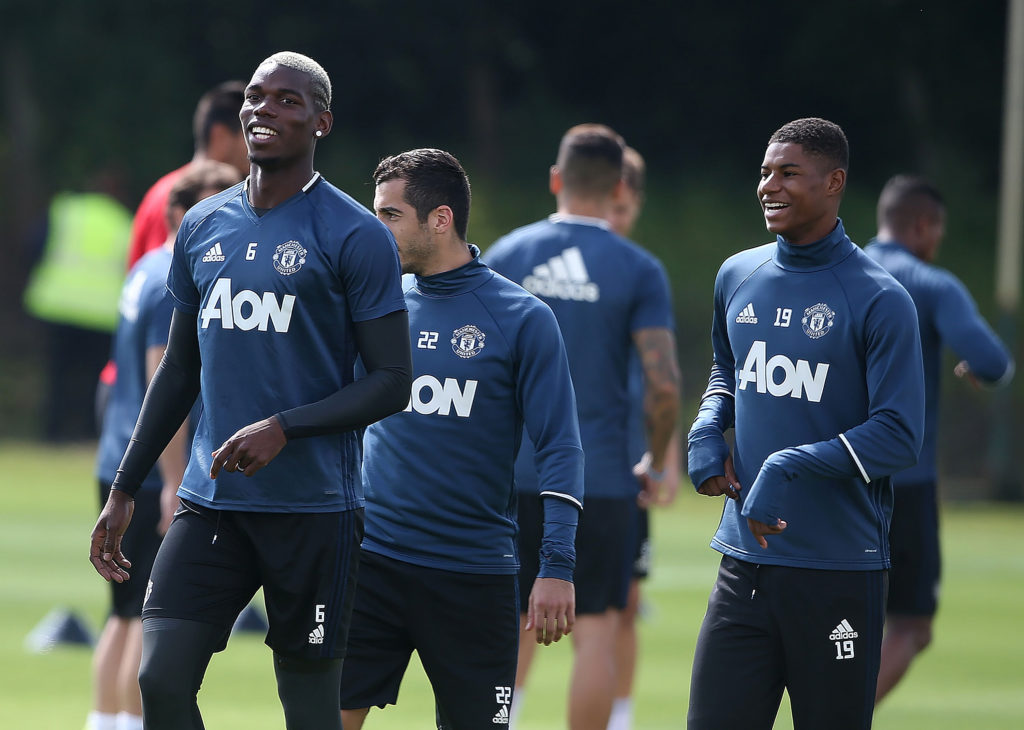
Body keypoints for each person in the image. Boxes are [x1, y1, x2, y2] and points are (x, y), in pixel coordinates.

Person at [88, 51, 412, 730]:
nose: (265, 109)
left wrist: (285, 427)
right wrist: (124, 489)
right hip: (214, 505)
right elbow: (178, 370)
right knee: (161, 678)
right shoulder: (204, 225)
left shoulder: (355, 235)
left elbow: (392, 383)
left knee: (309, 710)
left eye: (288, 101)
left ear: (322, 122)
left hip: (315, 511)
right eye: (258, 97)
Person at [685, 117, 925, 730]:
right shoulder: (738, 274)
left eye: (789, 173)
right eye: (765, 171)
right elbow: (726, 373)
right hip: (743, 567)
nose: (770, 185)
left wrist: (788, 466)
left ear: (835, 181)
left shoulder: (880, 298)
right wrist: (707, 427)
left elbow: (899, 432)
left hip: (838, 569)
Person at [339, 148, 583, 729]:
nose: (377, 231)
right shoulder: (374, 305)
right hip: (371, 561)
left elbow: (561, 446)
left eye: (391, 216)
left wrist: (557, 566)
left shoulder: (521, 317)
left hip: (473, 574)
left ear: (440, 219)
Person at [485, 124, 680, 730]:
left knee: (508, 623)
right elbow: (665, 384)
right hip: (600, 480)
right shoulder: (638, 269)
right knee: (594, 628)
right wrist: (655, 455)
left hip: (510, 478)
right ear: (619, 186)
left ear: (555, 180)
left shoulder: (505, 257)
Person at [87, 160, 243, 730]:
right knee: (149, 618)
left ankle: (104, 721)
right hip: (154, 471)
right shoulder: (172, 279)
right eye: (212, 200)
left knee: (123, 616)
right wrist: (176, 479)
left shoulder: (143, 271)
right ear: (180, 214)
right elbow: (165, 376)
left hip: (119, 457)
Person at [864, 175, 1014, 703]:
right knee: (910, 626)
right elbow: (994, 361)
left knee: (835, 621)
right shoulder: (929, 283)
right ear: (924, 226)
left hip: (833, 475)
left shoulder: (836, 272)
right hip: (905, 482)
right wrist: (981, 368)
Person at [605, 146, 681, 730]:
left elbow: (660, 386)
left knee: (625, 606)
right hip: (571, 464)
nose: (621, 212)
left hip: (628, 462)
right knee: (527, 606)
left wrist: (666, 458)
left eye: (631, 204)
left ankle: (622, 719)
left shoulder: (638, 276)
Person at [22, 175, 133, 441]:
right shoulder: (124, 221)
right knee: (94, 378)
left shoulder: (66, 210)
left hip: (59, 306)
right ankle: (88, 432)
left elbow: (32, 246)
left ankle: (53, 432)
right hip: (102, 313)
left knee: (57, 374)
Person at [125, 80, 249, 270]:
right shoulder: (186, 197)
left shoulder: (163, 189)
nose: (259, 144)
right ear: (221, 136)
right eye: (250, 133)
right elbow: (166, 284)